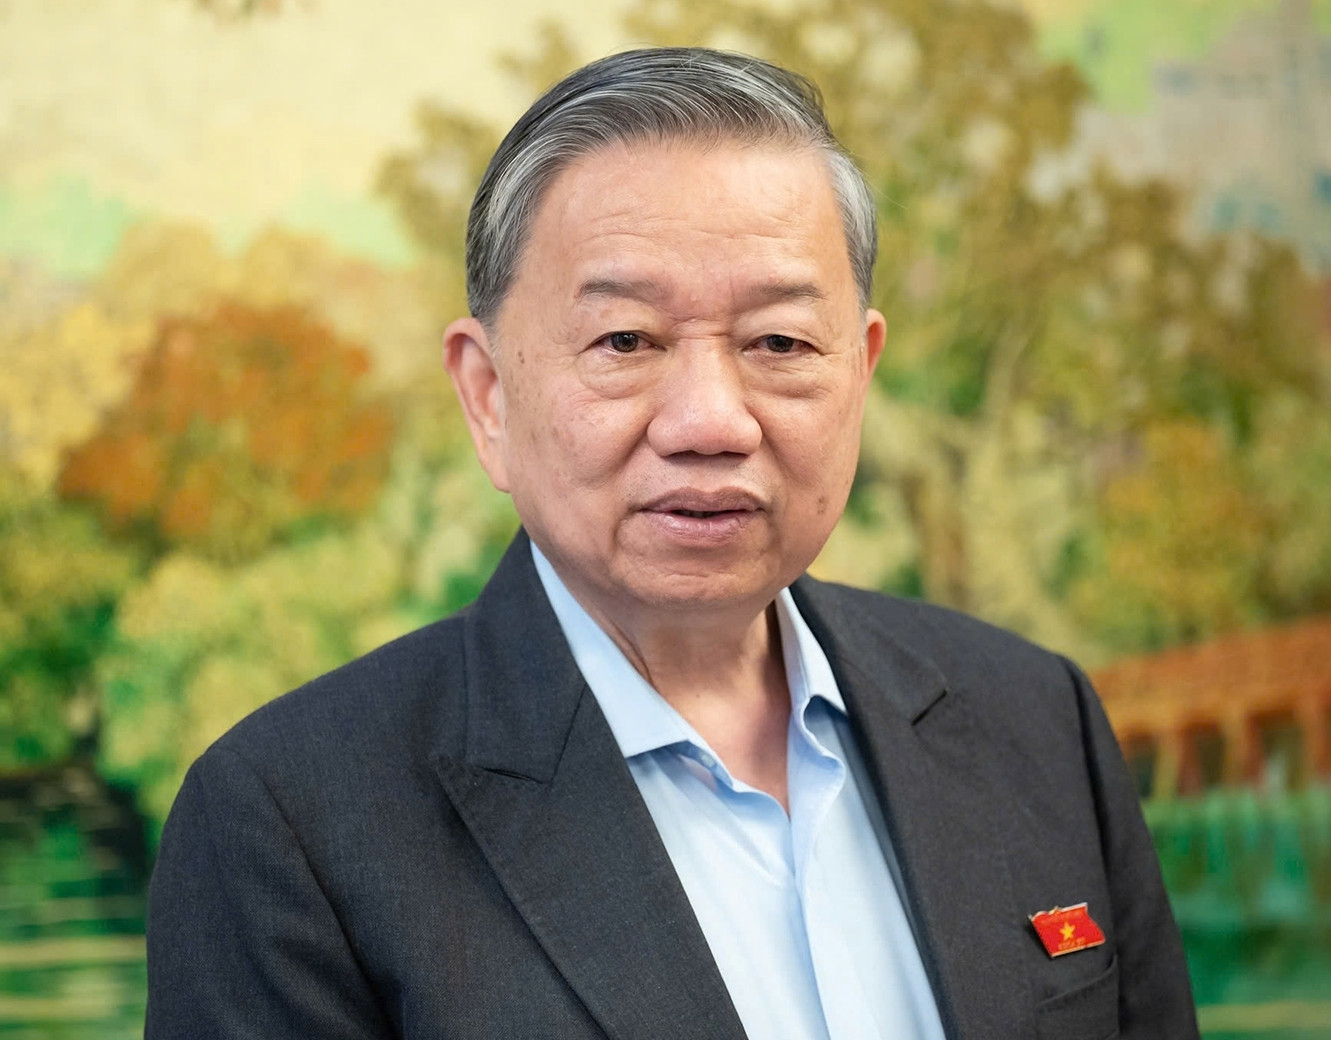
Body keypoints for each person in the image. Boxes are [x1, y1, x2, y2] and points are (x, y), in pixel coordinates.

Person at [145, 47, 1199, 1040]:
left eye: (779, 340)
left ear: (861, 371)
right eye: (626, 340)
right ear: (489, 395)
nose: (711, 420)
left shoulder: (1035, 719)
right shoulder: (288, 823)